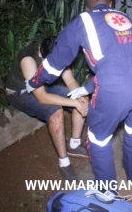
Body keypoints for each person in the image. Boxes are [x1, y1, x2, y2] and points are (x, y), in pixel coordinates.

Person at [26, 0, 132, 191]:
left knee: (99, 138)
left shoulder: (83, 20)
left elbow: (56, 62)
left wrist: (35, 81)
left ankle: (107, 191)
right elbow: (131, 61)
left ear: (86, 7)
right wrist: (86, 88)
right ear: (111, 3)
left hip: (114, 90)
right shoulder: (127, 20)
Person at [6, 36, 89, 182]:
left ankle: (75, 144)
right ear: (42, 57)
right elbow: (42, 97)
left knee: (80, 96)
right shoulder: (29, 61)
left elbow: (70, 81)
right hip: (20, 93)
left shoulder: (58, 51)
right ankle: (64, 164)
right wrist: (74, 104)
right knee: (55, 112)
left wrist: (79, 96)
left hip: (41, 87)